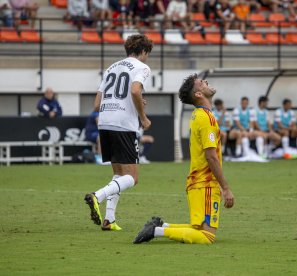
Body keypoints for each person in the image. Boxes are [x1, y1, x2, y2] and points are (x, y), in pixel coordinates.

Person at [133, 74, 235, 244]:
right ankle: (157, 231)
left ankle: (161, 226)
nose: (206, 82)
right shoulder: (206, 118)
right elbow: (211, 157)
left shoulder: (197, 115)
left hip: (197, 182)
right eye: (202, 83)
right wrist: (225, 188)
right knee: (207, 236)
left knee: (199, 229)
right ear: (198, 94)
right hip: (206, 183)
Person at [84, 34, 153, 231]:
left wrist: (131, 102)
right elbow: (134, 90)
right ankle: (98, 196)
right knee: (132, 177)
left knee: (119, 174)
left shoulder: (111, 67)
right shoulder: (142, 67)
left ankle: (109, 219)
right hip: (123, 124)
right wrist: (143, 116)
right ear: (143, 51)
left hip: (105, 122)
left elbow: (96, 104)